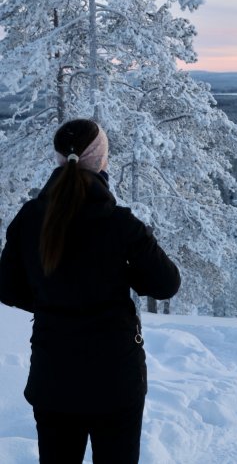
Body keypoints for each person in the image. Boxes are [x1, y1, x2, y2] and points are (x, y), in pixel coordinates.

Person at [0, 118, 181, 464]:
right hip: (115, 379)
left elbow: (7, 287)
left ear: (58, 159)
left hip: (53, 378)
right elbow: (167, 283)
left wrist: (48, 301)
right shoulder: (121, 224)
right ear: (101, 161)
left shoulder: (29, 218)